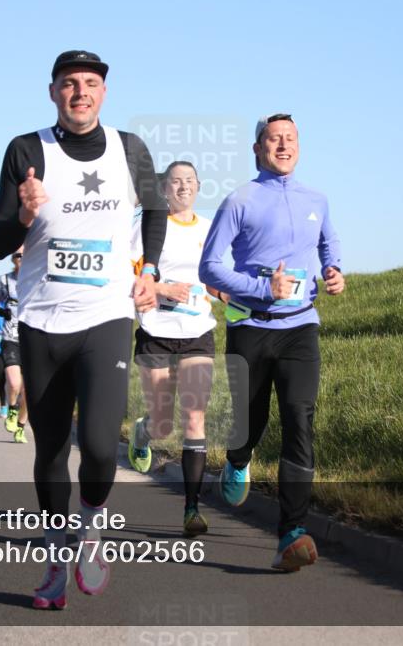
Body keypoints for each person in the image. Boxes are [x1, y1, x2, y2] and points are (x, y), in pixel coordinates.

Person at [0, 50, 167, 608]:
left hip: (106, 315)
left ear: (103, 93)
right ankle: (54, 560)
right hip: (41, 320)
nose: (80, 92)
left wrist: (150, 270)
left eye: (90, 83)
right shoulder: (25, 150)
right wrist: (23, 214)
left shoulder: (130, 148)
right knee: (49, 450)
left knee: (98, 445)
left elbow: (156, 209)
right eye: (69, 83)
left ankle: (89, 529)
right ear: (53, 92)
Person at [198, 113, 345, 572]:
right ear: (257, 148)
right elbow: (209, 267)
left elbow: (328, 243)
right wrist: (264, 289)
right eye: (274, 139)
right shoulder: (239, 200)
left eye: (290, 138)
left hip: (300, 328)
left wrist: (334, 270)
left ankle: (291, 532)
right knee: (251, 420)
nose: (283, 145)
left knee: (300, 418)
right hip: (251, 328)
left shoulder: (316, 199)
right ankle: (238, 458)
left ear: (299, 145)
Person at [126, 161, 221, 538]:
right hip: (157, 330)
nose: (183, 187)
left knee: (195, 417)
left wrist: (230, 294)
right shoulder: (148, 227)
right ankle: (142, 433)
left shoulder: (209, 228)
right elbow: (127, 272)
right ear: (164, 189)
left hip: (198, 331)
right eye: (175, 182)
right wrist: (162, 289)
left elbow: (215, 276)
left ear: (198, 186)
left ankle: (192, 509)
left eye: (190, 181)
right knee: (163, 422)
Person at [0, 248, 29, 441]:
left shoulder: (38, 277)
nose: (20, 258)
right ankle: (12, 407)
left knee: (29, 391)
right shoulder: (5, 280)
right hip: (10, 337)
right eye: (17, 255)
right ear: (12, 259)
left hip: (32, 338)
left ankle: (21, 426)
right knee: (14, 383)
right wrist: (0, 311)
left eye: (23, 254)